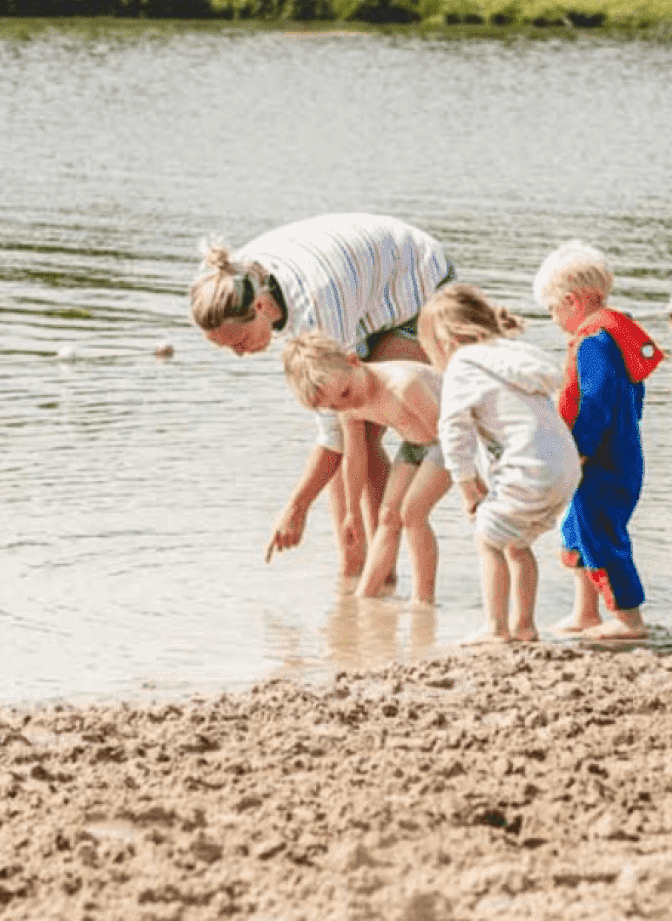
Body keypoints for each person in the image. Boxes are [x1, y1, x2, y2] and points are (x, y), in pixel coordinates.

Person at [189, 213, 454, 583]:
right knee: (350, 434)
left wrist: (296, 507)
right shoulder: (231, 283)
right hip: (361, 292)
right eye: (226, 348)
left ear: (262, 308)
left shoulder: (316, 308)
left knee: (362, 424)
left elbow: (337, 436)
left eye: (241, 342)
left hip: (417, 284)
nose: (239, 354)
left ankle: (379, 574)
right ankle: (354, 576)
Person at [417, 284, 581, 643]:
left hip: (531, 468)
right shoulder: (514, 355)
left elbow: (453, 429)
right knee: (516, 543)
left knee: (488, 540)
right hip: (565, 467)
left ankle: (496, 628)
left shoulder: (464, 362)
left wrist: (466, 486)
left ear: (449, 341)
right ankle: (524, 627)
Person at [533, 241, 664, 640]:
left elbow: (595, 402)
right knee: (576, 528)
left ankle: (629, 620)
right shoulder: (615, 335)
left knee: (600, 532)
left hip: (603, 460)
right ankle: (585, 613)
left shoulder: (594, 342)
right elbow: (634, 395)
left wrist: (581, 451)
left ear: (573, 302)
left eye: (554, 310)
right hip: (621, 452)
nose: (555, 319)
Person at [280, 331, 452, 605]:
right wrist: (351, 511)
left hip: (450, 439)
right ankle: (365, 599)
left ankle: (424, 600)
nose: (346, 406)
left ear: (353, 361)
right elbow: (355, 457)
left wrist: (473, 482)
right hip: (414, 443)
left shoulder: (403, 385)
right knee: (386, 517)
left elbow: (450, 436)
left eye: (345, 394)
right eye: (334, 405)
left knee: (412, 513)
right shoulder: (346, 405)